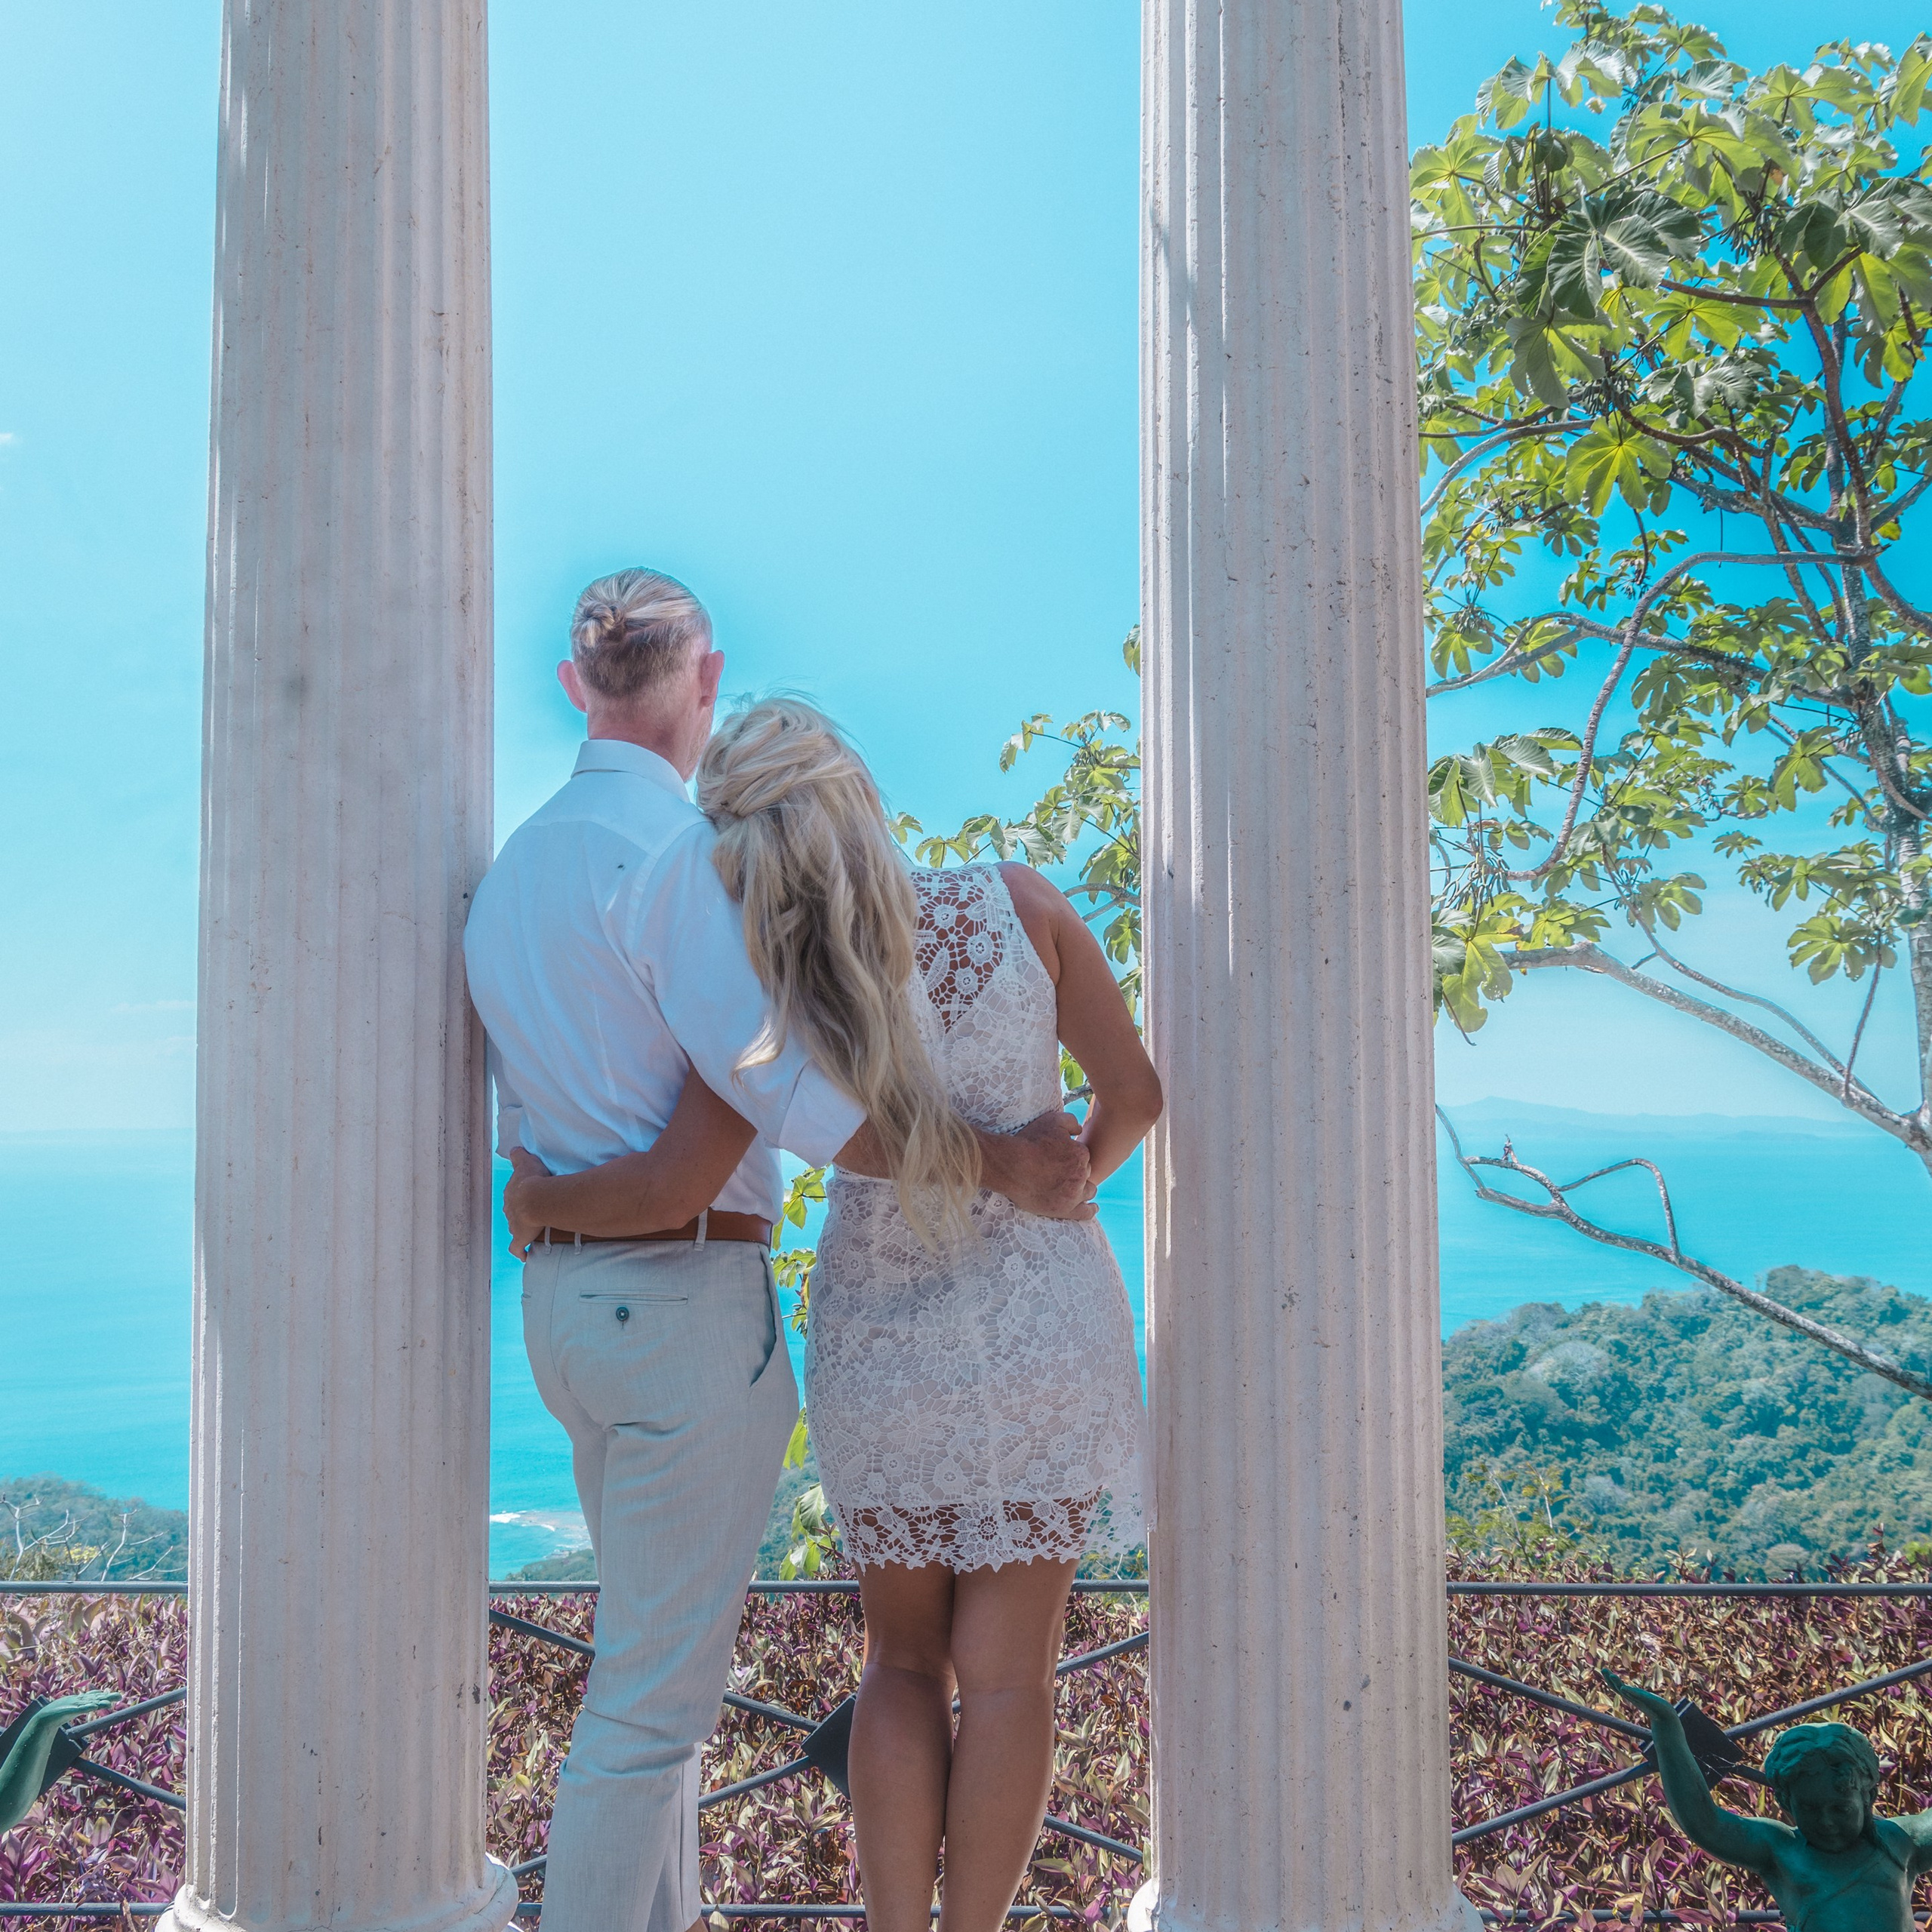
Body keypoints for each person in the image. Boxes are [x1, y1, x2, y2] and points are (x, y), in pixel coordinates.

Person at [463, 573, 1094, 1932]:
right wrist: (1005, 1166)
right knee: (649, 1708)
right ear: (704, 678)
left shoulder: (511, 873)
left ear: (575, 687)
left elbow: (539, 1134)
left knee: (657, 1687)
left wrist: (546, 1210)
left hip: (565, 1314)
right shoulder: (686, 863)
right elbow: (795, 1112)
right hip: (682, 1305)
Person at [1602, 1673, 1932, 1930]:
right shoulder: (1782, 1850)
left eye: (1841, 1808)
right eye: (1811, 1809)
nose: (1827, 1821)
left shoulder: (1902, 1841)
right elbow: (1705, 1822)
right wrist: (1667, 1728)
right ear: (1786, 1804)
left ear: (1869, 1796)